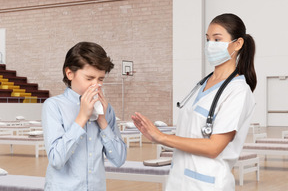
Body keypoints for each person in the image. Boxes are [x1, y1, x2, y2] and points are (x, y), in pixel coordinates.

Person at [132, 13, 256, 190]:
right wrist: (156, 135)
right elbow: (189, 135)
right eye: (208, 39)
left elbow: (214, 147)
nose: (210, 45)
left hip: (207, 184)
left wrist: (162, 137)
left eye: (217, 39)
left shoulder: (238, 91)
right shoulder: (201, 85)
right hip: (178, 179)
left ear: (238, 43)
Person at [42, 42, 127, 191]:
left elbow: (119, 160)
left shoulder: (106, 110)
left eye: (100, 79)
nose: (96, 85)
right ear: (70, 74)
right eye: (89, 78)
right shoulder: (53, 106)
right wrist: (82, 117)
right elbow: (56, 159)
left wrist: (102, 121)